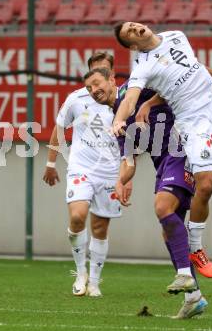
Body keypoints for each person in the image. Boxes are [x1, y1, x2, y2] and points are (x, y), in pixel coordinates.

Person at [112, 22, 212, 268]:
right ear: (133, 46)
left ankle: (187, 184)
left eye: (134, 24)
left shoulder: (176, 35)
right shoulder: (142, 66)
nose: (135, 28)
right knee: (206, 185)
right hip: (191, 122)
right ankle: (196, 247)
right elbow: (130, 97)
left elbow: (192, 67)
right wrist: (119, 118)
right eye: (130, 32)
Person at [84, 63, 209, 319]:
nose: (94, 90)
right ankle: (193, 297)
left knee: (162, 207)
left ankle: (185, 273)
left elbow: (173, 85)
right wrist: (121, 182)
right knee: (168, 231)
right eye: (88, 88)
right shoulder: (117, 122)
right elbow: (128, 161)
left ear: (111, 80)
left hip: (180, 148)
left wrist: (148, 103)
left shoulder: (134, 88)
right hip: (162, 164)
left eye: (97, 83)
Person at [43, 52, 132, 297]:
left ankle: (94, 282)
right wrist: (51, 164)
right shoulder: (76, 99)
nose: (96, 82)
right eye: (92, 75)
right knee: (78, 216)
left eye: (103, 72)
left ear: (112, 75)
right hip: (81, 168)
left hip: (111, 173)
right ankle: (80, 272)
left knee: (100, 228)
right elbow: (59, 129)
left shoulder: (126, 100)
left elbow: (131, 144)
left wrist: (125, 178)